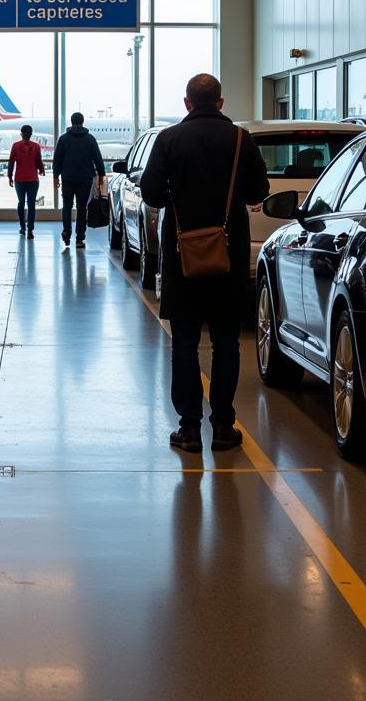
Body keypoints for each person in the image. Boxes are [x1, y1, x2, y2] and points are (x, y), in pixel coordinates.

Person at [140, 74, 269, 453]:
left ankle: (190, 429)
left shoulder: (169, 139)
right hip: (228, 257)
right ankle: (224, 428)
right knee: (227, 342)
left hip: (184, 258)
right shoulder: (242, 139)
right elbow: (259, 191)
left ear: (187, 103)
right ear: (222, 102)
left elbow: (151, 193)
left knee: (184, 342)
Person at [52, 112, 106, 248]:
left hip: (68, 178)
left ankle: (67, 231)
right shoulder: (90, 139)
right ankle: (79, 239)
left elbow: (57, 159)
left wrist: (55, 176)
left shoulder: (63, 139)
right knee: (82, 208)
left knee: (67, 206)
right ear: (82, 122)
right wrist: (101, 175)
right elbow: (98, 159)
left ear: (71, 122)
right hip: (85, 178)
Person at [8, 125, 45, 239]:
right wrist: (42, 170)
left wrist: (10, 176)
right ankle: (30, 230)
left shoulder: (15, 146)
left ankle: (23, 227)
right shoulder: (36, 146)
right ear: (31, 134)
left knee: (21, 203)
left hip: (20, 179)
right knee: (31, 204)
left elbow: (11, 162)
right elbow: (38, 160)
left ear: (21, 134)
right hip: (33, 179)